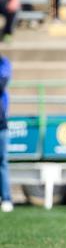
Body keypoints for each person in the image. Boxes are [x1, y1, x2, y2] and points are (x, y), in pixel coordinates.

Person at [0, 52, 10, 212]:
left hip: (1, 126)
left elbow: (1, 82)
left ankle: (6, 198)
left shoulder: (3, 63)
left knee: (2, 162)